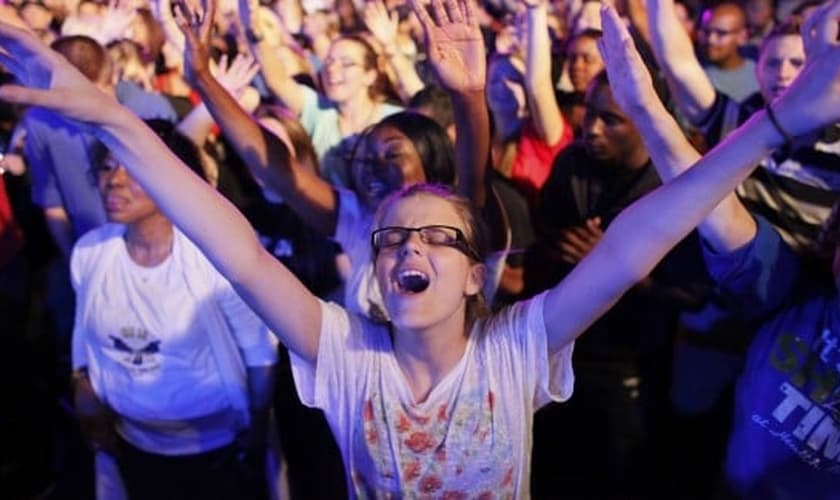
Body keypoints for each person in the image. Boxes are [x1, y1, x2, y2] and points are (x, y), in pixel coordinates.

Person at [4, 0, 840, 496]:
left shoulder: (516, 349)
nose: (410, 244)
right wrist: (113, 117)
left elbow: (639, 237)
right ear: (374, 268)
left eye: (439, 234)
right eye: (393, 235)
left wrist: (772, 125)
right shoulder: (341, 351)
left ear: (478, 273)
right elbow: (234, 247)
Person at [603, 8, 840, 495]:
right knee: (688, 432)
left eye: (803, 62)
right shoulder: (746, 118)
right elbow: (717, 211)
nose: (788, 74)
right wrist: (645, 108)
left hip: (765, 299)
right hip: (735, 300)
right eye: (776, 62)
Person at [177, 0, 495, 318]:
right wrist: (205, 78)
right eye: (365, 157)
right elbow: (278, 170)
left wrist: (468, 94)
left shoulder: (453, 219)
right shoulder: (358, 218)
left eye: (393, 154)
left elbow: (473, 174)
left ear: (431, 162)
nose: (374, 167)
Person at [70, 126, 278, 499]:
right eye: (106, 167)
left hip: (218, 450)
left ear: (172, 176)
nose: (113, 180)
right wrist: (81, 380)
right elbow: (84, 333)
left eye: (131, 167)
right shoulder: (89, 252)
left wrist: (259, 430)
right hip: (133, 444)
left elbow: (260, 354)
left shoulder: (216, 257)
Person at [648, 0, 840, 253]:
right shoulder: (739, 125)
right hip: (729, 283)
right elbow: (677, 63)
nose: (782, 73)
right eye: (772, 63)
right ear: (757, 70)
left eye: (797, 63)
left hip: (807, 286)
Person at [240, 0, 402, 188]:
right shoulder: (318, 112)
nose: (332, 70)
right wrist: (253, 30)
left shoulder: (394, 119)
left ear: (370, 75)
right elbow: (278, 81)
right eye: (329, 62)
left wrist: (391, 48)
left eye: (346, 63)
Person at [697, 2, 759, 102]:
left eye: (721, 33)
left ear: (742, 36)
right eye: (706, 31)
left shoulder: (760, 75)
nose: (711, 40)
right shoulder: (693, 72)